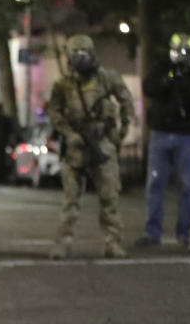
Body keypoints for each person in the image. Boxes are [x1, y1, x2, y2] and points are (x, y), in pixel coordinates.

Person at [46, 35, 136, 260]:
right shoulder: (63, 85)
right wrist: (69, 133)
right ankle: (63, 243)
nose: (79, 59)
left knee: (109, 198)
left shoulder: (107, 79)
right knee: (70, 201)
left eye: (83, 54)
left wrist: (121, 133)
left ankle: (112, 242)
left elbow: (127, 102)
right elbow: (54, 112)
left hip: (102, 145)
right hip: (76, 147)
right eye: (74, 54)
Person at [135, 33, 190, 250]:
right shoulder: (163, 67)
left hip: (188, 135)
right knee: (155, 184)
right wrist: (168, 80)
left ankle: (184, 234)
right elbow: (148, 87)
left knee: (187, 186)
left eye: (186, 52)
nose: (181, 55)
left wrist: (186, 88)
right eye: (178, 51)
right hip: (161, 132)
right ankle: (152, 233)